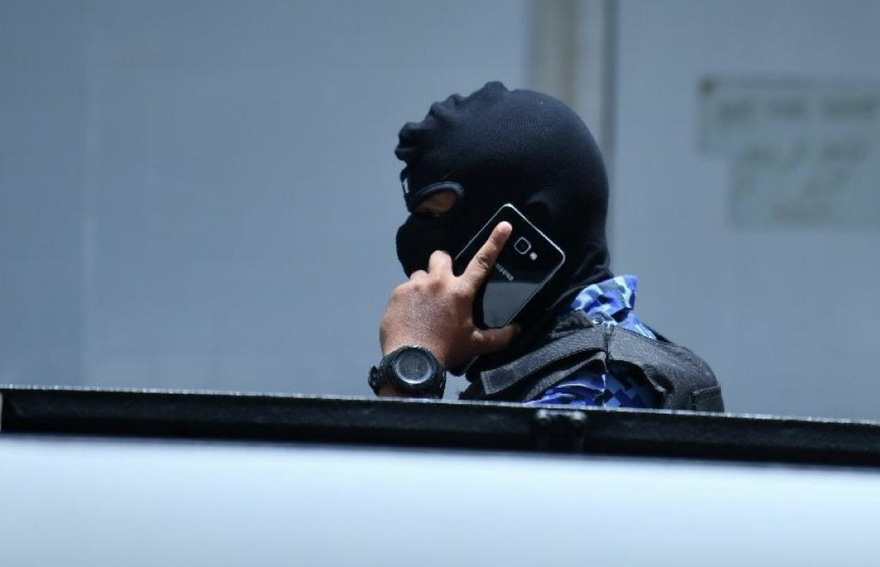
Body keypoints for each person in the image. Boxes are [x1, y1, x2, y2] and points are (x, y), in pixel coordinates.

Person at [368, 81, 724, 411]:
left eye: (432, 215)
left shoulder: (593, 387)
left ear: (523, 234)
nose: (420, 248)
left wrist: (410, 368)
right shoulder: (545, 364)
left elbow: (395, 463)